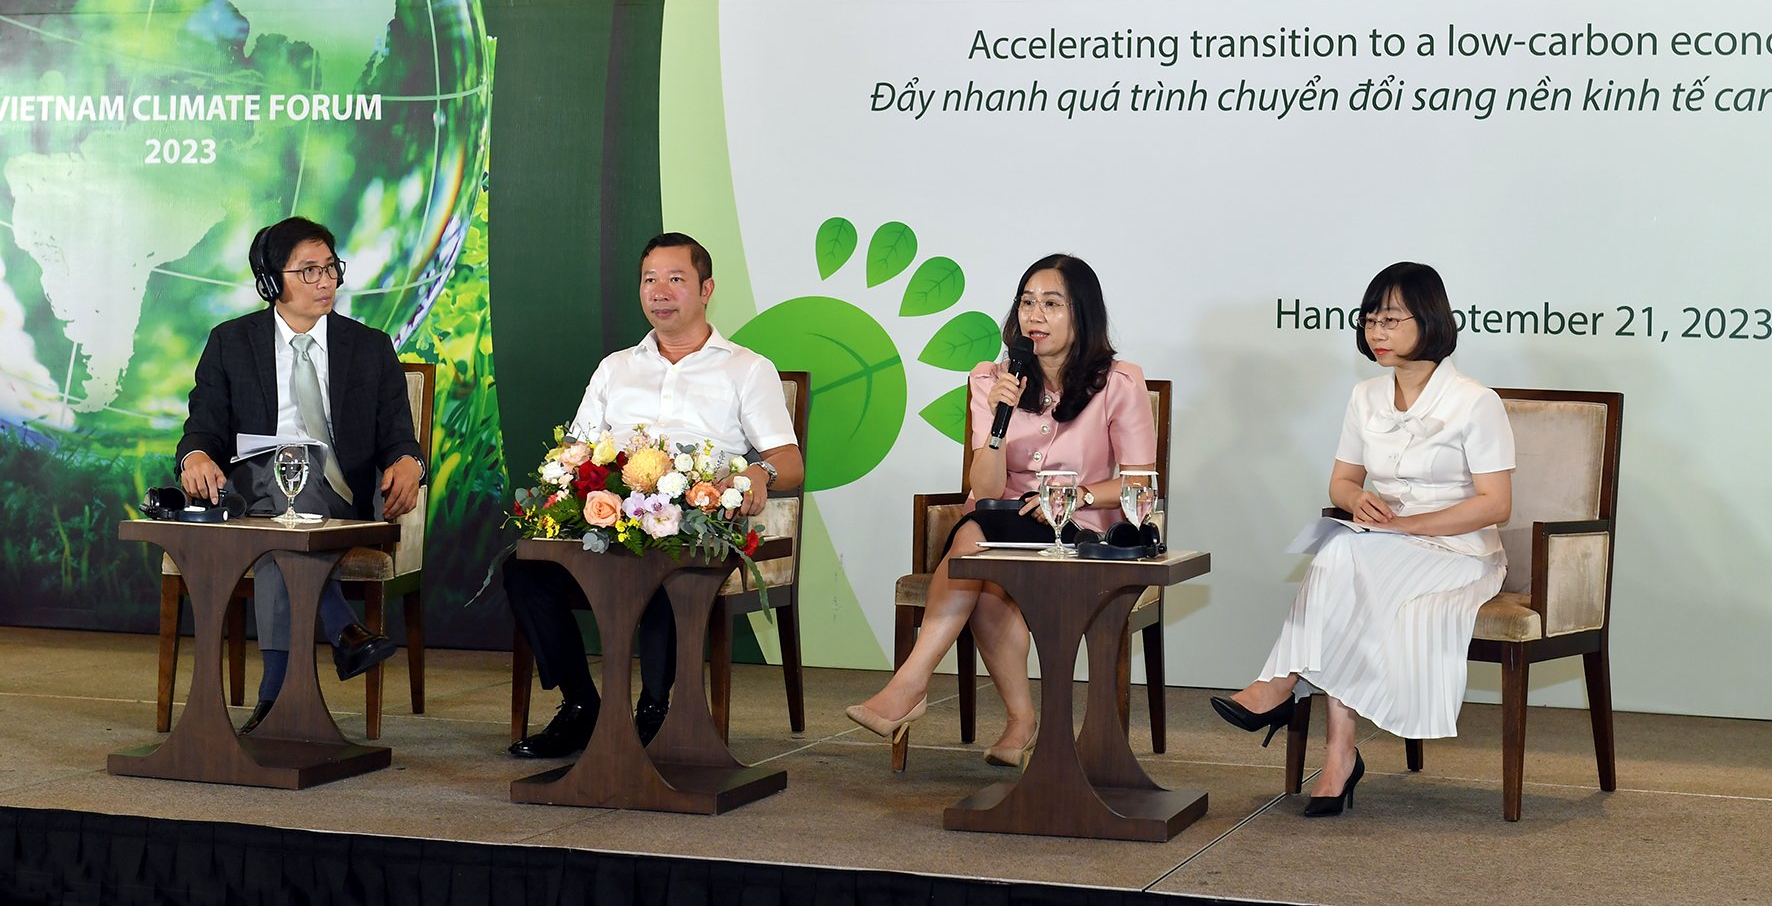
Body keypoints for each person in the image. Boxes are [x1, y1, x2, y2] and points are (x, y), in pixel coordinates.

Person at [1211, 261, 1515, 816]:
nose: (1378, 331)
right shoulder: (1366, 396)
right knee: (1345, 552)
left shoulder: (1475, 401)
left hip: (1461, 553)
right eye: (1371, 319)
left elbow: (1496, 504)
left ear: (1429, 320)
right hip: (1383, 545)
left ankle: (1280, 685)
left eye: (1391, 319)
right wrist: (1357, 502)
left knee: (1344, 554)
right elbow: (1342, 482)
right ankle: (1337, 753)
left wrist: (1408, 526)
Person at [846, 254, 1155, 766]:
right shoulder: (992, 379)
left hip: (1077, 527)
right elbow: (985, 485)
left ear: (1082, 314)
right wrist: (999, 419)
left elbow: (1139, 483)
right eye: (1027, 302)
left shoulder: (1118, 382)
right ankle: (1016, 718)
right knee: (984, 566)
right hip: (998, 519)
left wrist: (1076, 496)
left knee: (977, 548)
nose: (1035, 315)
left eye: (1052, 304)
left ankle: (912, 685)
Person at [504, 232, 805, 759]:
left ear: (706, 289)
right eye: (649, 280)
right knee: (524, 567)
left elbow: (790, 463)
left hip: (695, 524)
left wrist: (758, 474)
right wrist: (563, 482)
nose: (659, 292)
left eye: (675, 279)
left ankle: (655, 711)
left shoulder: (745, 368)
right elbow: (576, 449)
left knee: (668, 557)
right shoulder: (616, 367)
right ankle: (581, 705)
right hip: (612, 519)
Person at [177, 217, 426, 733]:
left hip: (336, 497)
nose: (325, 281)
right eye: (308, 271)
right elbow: (203, 427)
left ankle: (275, 694)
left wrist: (410, 462)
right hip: (251, 494)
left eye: (331, 268)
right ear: (271, 282)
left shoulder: (369, 346)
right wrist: (195, 456)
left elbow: (398, 437)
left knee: (285, 516)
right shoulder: (230, 342)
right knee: (284, 492)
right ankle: (344, 631)